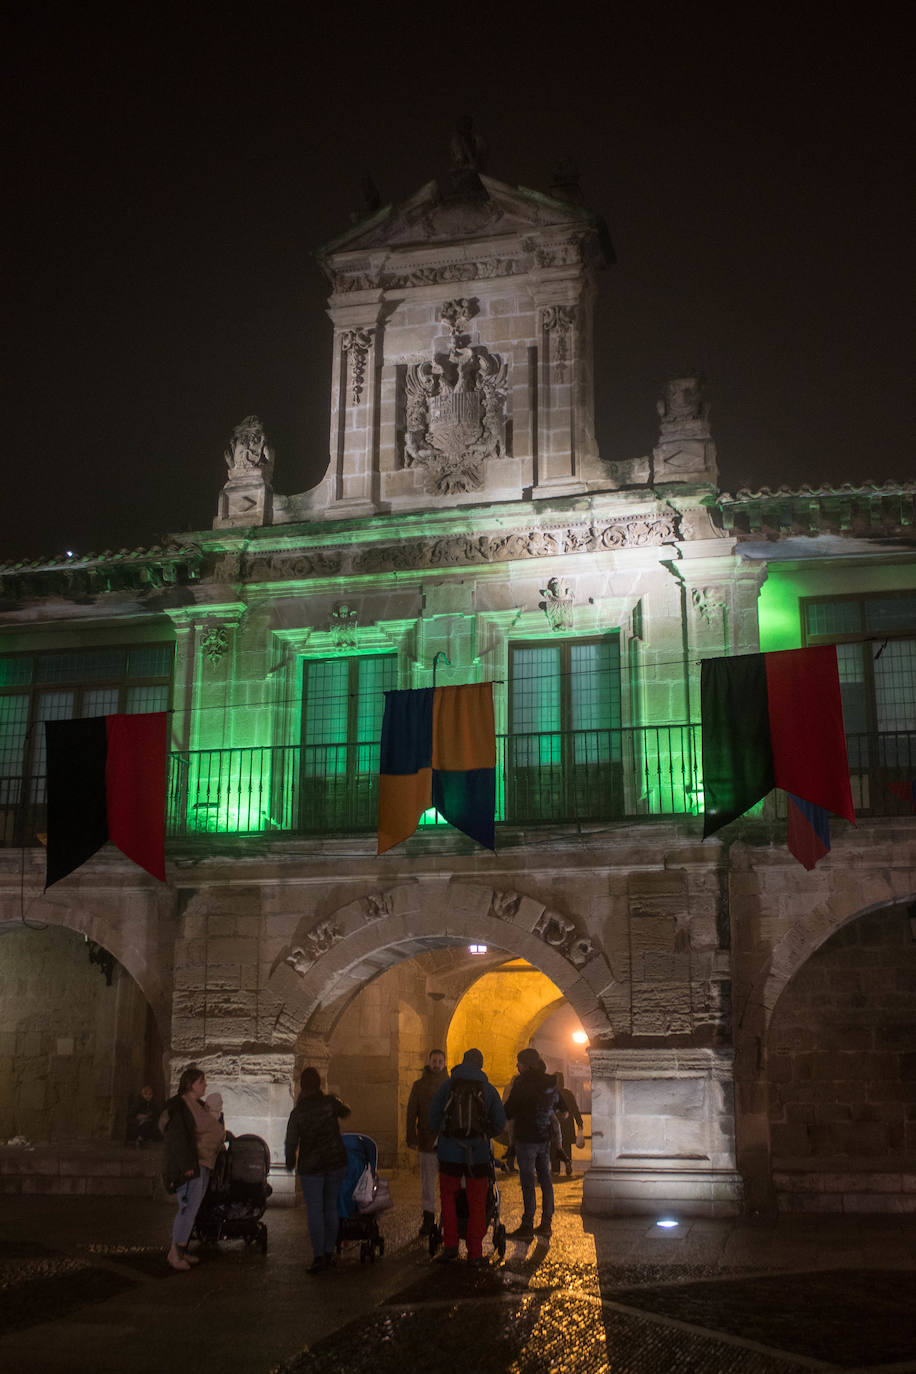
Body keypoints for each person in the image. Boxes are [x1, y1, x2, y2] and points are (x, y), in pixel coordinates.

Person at [428, 1047, 506, 1266]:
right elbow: (499, 1124)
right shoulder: (488, 1090)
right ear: (480, 1066)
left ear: (462, 1062)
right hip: (478, 1157)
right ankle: (475, 1253)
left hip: (449, 1155)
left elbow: (433, 1116)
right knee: (477, 1204)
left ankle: (450, 1246)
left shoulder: (447, 1086)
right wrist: (483, 1134)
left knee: (449, 1201)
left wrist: (444, 1135)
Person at [285, 1066, 351, 1274]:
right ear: (319, 1084)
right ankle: (329, 1252)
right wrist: (335, 1098)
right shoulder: (329, 1104)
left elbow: (291, 1140)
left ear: (302, 1087)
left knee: (315, 1210)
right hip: (334, 1161)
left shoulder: (298, 1112)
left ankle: (318, 1256)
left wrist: (289, 1161)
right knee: (331, 1208)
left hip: (311, 1165)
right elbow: (346, 1111)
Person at [160, 1064, 226, 1271]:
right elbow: (178, 1139)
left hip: (202, 1164)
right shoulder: (181, 1107)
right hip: (192, 1166)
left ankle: (181, 1249)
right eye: (201, 1081)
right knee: (187, 1209)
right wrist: (188, 1166)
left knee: (192, 1209)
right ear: (190, 1084)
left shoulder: (196, 1105)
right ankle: (175, 1254)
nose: (205, 1085)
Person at [503, 1048, 561, 1242]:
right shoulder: (549, 1083)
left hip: (526, 1138)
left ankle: (527, 1225)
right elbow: (557, 1105)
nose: (517, 1067)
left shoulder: (522, 1083)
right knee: (545, 1180)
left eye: (519, 1063)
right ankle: (546, 1223)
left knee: (528, 1182)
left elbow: (510, 1108)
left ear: (526, 1065)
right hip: (543, 1138)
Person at [406, 1048, 448, 1236]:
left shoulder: (450, 1085)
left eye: (440, 1061)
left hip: (447, 1142)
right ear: (429, 1062)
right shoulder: (419, 1086)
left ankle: (448, 1219)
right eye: (434, 1061)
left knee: (448, 1184)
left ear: (444, 1063)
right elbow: (411, 1113)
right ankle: (428, 1219)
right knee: (428, 1184)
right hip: (427, 1141)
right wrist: (411, 1137)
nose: (437, 1064)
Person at [551, 1071, 584, 1177]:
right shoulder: (568, 1094)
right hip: (567, 1126)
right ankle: (568, 1163)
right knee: (566, 1147)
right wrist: (579, 1123)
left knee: (554, 1147)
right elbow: (575, 1109)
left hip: (554, 1126)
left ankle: (555, 1170)